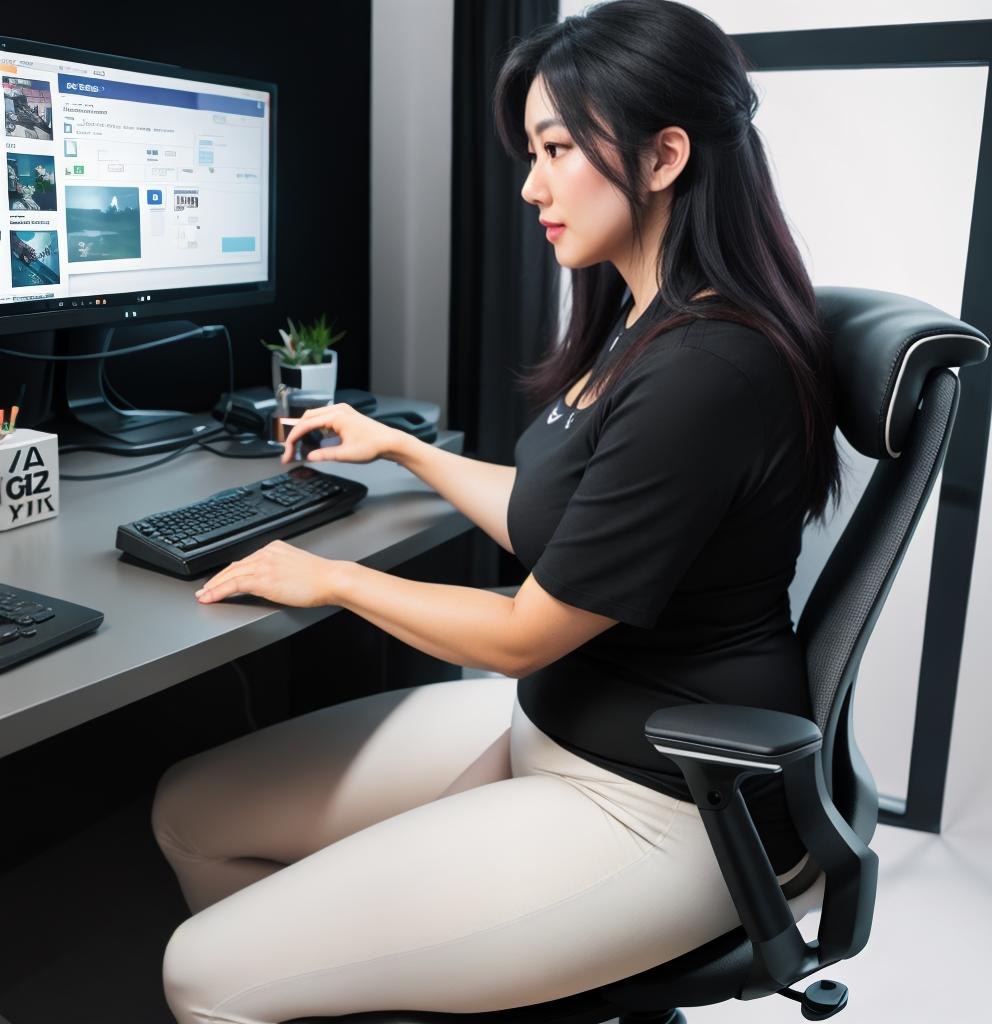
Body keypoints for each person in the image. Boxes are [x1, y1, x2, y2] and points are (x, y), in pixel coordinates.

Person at [153, 2, 842, 1020]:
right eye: (531, 151)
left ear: (663, 157)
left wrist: (332, 576)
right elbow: (556, 518)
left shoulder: (708, 367)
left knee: (198, 972)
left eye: (557, 149)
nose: (529, 186)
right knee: (193, 810)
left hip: (662, 799)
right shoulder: (642, 320)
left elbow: (525, 631)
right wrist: (404, 448)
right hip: (562, 726)